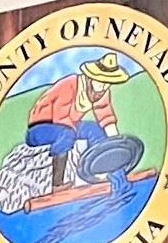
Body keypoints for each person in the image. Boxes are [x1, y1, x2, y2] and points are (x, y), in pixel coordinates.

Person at [21, 52, 145, 189]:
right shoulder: (70, 84)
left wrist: (117, 145)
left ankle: (102, 172)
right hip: (39, 129)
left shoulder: (101, 93)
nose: (104, 87)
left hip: (68, 125)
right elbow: (60, 117)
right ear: (91, 78)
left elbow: (106, 118)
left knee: (96, 130)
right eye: (102, 82)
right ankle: (57, 184)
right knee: (66, 134)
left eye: (108, 83)